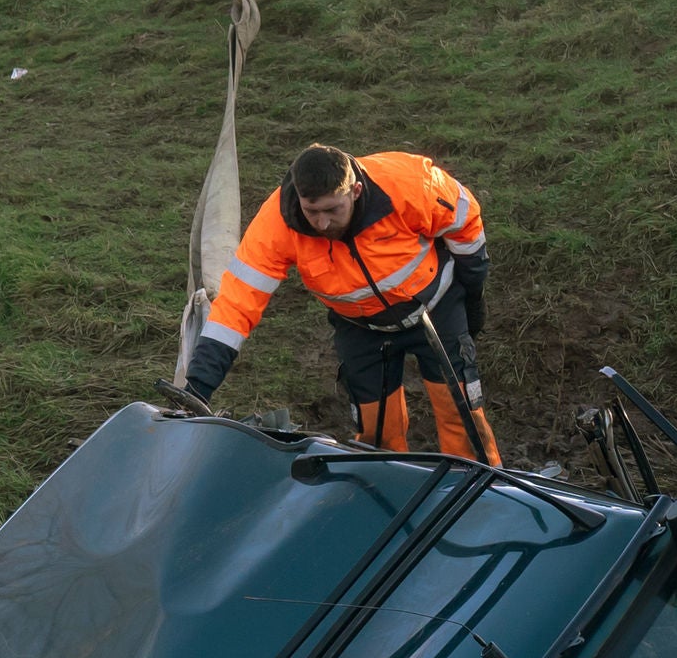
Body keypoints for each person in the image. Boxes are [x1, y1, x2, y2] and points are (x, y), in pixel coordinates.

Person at [179, 143, 498, 462]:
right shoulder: (277, 223)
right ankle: (385, 496)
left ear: (355, 191)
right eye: (312, 211)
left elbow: (465, 222)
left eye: (333, 210)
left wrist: (472, 298)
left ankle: (487, 500)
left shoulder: (407, 184)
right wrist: (199, 385)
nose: (322, 223)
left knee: (463, 420)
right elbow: (236, 303)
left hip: (436, 310)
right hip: (361, 328)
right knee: (376, 438)